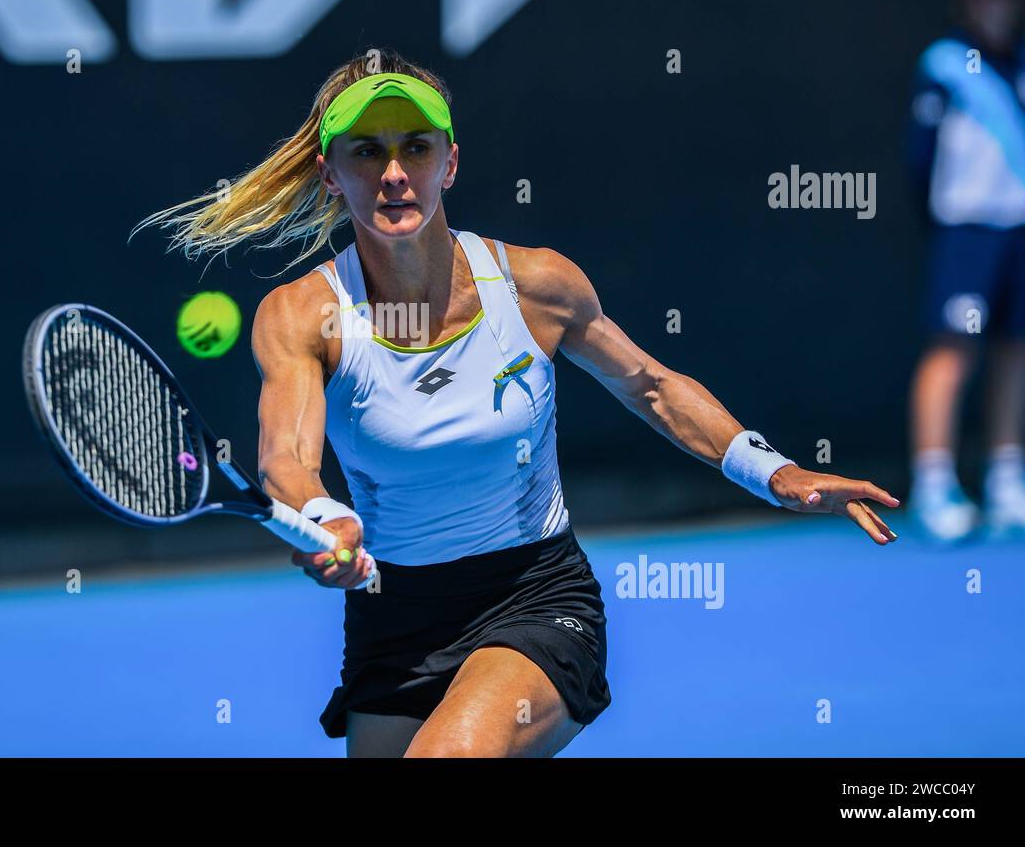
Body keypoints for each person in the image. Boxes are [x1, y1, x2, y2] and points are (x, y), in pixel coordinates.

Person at [135, 49, 898, 758]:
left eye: (416, 147)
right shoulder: (302, 316)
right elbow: (285, 460)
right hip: (392, 615)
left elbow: (653, 388)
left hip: (535, 596)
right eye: (367, 151)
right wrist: (324, 518)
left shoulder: (535, 285)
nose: (394, 172)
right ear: (331, 173)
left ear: (450, 163)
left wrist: (775, 472)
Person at [907, 0, 1025, 542]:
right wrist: (946, 221)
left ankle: (1007, 478)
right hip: (967, 233)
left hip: (1019, 232)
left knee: (1014, 351)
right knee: (953, 351)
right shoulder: (945, 64)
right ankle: (934, 482)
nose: (995, 4)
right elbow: (919, 160)